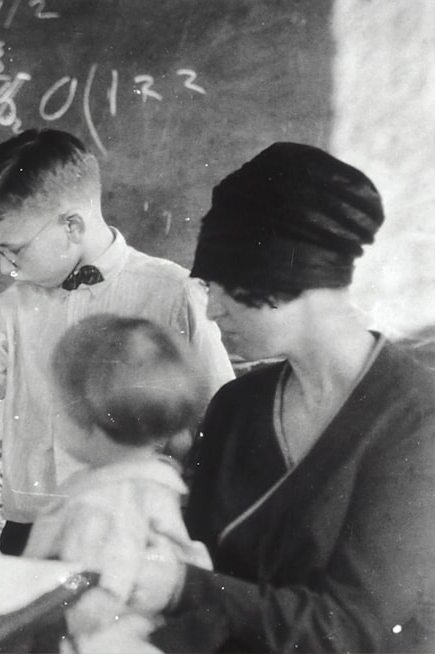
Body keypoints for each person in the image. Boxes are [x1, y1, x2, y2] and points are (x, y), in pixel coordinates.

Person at [0, 128, 234, 554]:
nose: (3, 267)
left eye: (14, 250)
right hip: (32, 527)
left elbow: (219, 420)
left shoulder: (174, 292)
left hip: (133, 527)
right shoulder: (14, 306)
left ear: (72, 225)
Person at [139, 142, 435, 652]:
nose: (212, 314)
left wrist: (179, 584)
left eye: (222, 289)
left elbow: (353, 626)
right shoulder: (235, 407)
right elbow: (197, 561)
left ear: (279, 279)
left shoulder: (418, 418)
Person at [0, 313, 214, 653]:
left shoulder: (101, 505)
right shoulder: (152, 484)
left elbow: (86, 604)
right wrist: (3, 570)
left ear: (89, 423)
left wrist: (5, 602)